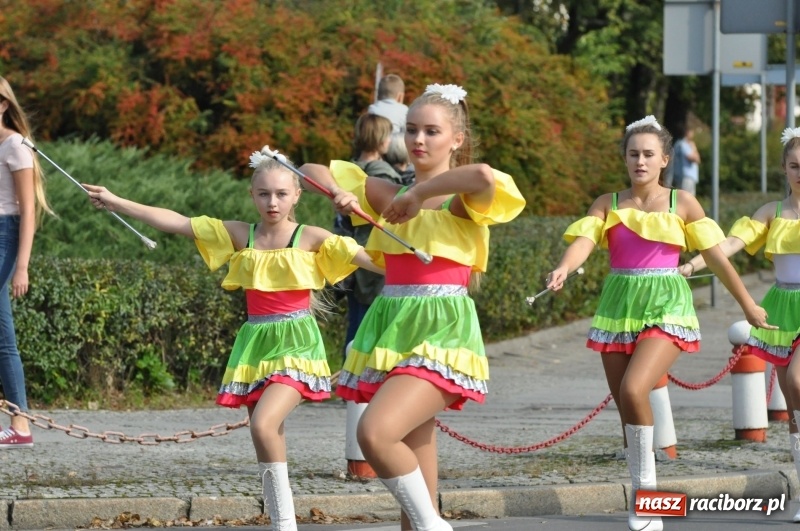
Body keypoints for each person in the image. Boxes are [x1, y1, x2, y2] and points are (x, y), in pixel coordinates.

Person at [83, 151, 382, 531]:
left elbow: (375, 260)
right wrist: (116, 201)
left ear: (296, 196)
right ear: (252, 194)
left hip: (297, 343)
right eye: (263, 194)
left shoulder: (312, 237)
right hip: (254, 343)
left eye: (280, 194)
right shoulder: (244, 234)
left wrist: (418, 250)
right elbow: (178, 222)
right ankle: (280, 521)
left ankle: (286, 524)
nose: (272, 202)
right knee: (267, 436)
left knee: (262, 425)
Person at [300, 83, 526, 531]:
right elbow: (308, 169)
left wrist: (419, 195)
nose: (418, 140)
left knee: (375, 433)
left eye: (432, 131)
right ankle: (424, 525)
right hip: (393, 325)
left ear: (456, 139)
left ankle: (433, 526)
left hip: (441, 330)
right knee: (412, 445)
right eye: (411, 130)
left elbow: (482, 175)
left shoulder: (461, 201)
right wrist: (337, 193)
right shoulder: (386, 193)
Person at [545, 115, 773, 531]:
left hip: (667, 304)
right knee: (625, 404)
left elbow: (718, 258)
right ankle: (641, 488)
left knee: (635, 387)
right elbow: (583, 241)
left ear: (665, 159)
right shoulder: (608, 203)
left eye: (649, 154)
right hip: (619, 304)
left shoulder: (681, 202)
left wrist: (747, 304)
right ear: (625, 158)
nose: (640, 161)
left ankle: (648, 497)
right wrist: (562, 268)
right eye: (633, 154)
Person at [680, 126, 800, 522]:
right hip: (783, 306)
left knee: (797, 383)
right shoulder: (772, 212)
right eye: (795, 165)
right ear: (784, 168)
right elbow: (728, 245)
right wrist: (694, 264)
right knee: (795, 409)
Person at [0, 76, 56, 449]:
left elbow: (28, 210)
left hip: (4, 235)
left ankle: (20, 423)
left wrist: (22, 265)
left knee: (4, 336)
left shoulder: (16, 146)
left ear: (3, 105)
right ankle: (17, 422)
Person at [671, 125, 701, 195]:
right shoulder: (683, 144)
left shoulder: (679, 144)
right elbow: (695, 159)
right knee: (686, 198)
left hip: (685, 176)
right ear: (687, 132)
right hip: (686, 176)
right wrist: (694, 148)